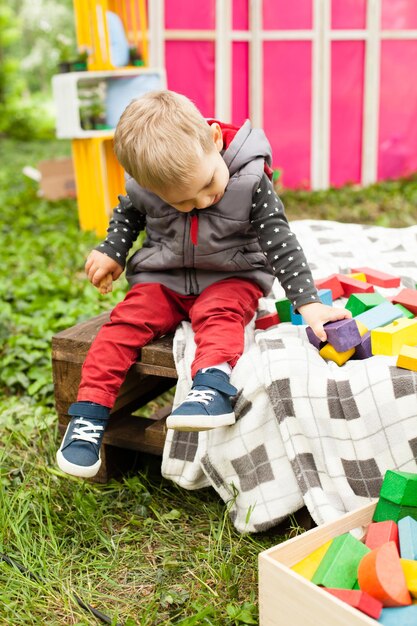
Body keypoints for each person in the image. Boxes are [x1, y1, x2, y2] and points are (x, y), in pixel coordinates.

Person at [56, 90, 350, 478]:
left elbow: (279, 242)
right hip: (164, 279)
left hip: (232, 275)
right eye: (183, 202)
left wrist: (308, 304)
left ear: (214, 139)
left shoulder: (249, 179)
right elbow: (128, 215)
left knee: (220, 314)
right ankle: (89, 415)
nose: (202, 201)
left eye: (208, 183)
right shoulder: (147, 185)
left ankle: (211, 388)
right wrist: (113, 250)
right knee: (122, 325)